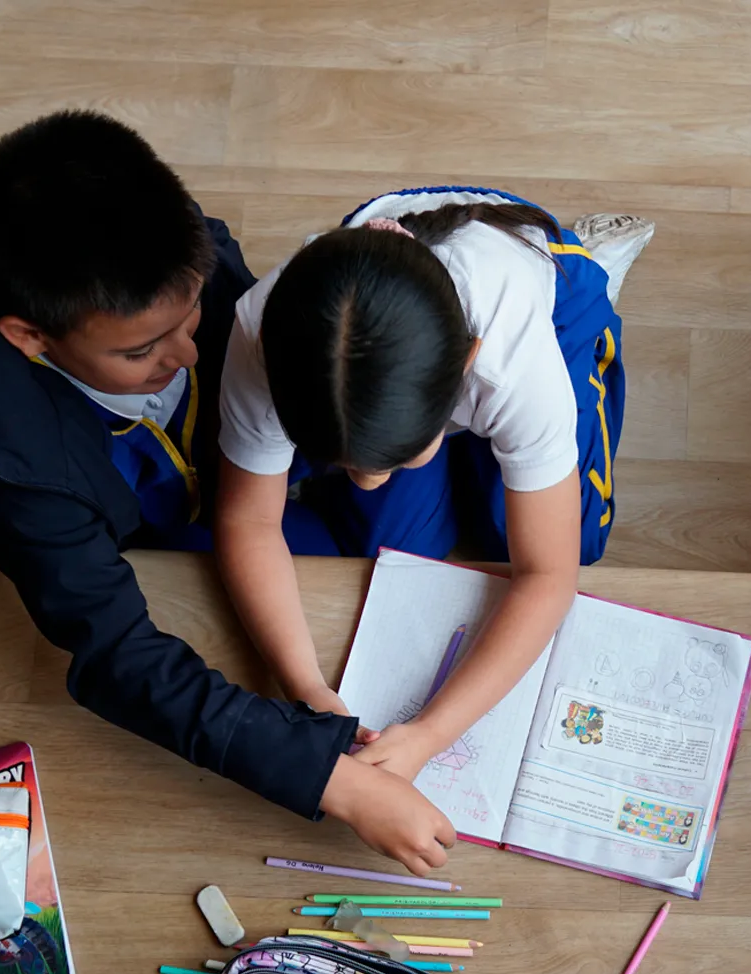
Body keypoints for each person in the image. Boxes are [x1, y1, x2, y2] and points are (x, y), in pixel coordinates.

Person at [0, 111, 456, 873]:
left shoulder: (160, 249)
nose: (188, 355)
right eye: (144, 349)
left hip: (195, 472)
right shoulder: (11, 469)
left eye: (192, 315)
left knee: (397, 524)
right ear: (31, 337)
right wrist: (334, 781)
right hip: (86, 515)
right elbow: (121, 657)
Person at [213, 188, 650, 788]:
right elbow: (248, 523)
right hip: (388, 306)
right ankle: (420, 454)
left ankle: (596, 258)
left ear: (467, 365)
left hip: (552, 292)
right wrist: (307, 686)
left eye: (395, 458)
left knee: (575, 533)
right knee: (389, 548)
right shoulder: (263, 333)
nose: (369, 480)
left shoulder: (509, 357)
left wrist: (432, 732)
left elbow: (550, 575)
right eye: (353, 464)